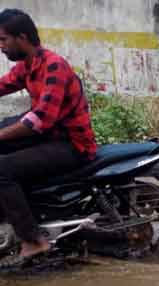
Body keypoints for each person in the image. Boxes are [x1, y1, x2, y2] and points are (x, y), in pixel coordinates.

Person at [0, 9, 96, 263]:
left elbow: (40, 119)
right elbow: (3, 85)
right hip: (48, 135)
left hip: (70, 143)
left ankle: (33, 240)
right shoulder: (28, 65)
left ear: (21, 38)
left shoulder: (54, 65)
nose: (0, 46)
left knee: (2, 170)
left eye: (3, 40)